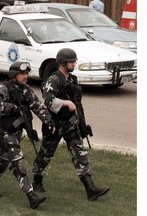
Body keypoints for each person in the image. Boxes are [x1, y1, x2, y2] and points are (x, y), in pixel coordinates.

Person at [32, 48, 110, 201]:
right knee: (46, 155)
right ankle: (36, 181)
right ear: (63, 63)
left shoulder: (72, 80)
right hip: (54, 125)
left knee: (80, 154)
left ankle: (90, 189)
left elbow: (77, 103)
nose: (74, 63)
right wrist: (66, 103)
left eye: (74, 61)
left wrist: (81, 122)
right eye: (71, 62)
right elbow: (48, 100)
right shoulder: (53, 80)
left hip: (70, 125)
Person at [0, 61, 55, 209]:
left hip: (16, 132)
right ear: (14, 75)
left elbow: (37, 106)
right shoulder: (4, 88)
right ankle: (31, 195)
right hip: (4, 133)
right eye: (22, 74)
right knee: (19, 162)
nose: (25, 77)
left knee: (2, 160)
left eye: (26, 74)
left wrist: (48, 121)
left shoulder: (25, 90)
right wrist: (11, 108)